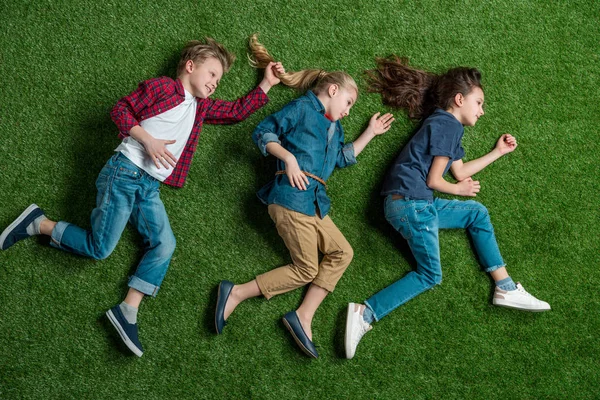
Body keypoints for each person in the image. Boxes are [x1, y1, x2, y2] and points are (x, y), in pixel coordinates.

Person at [0, 37, 284, 357]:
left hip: (148, 187)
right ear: (190, 66)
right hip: (125, 173)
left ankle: (127, 309)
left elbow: (234, 112)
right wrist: (147, 140)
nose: (215, 83)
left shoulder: (200, 107)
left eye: (219, 80)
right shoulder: (163, 88)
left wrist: (267, 84)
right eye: (212, 74)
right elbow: (120, 110)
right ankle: (39, 224)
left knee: (165, 244)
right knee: (100, 248)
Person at [344, 56, 551, 359]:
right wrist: (458, 191)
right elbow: (436, 179)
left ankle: (504, 286)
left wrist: (498, 152)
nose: (482, 110)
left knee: (476, 213)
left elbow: (460, 171)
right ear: (459, 99)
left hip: (411, 204)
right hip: (413, 204)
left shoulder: (444, 125)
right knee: (430, 275)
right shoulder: (448, 125)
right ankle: (365, 313)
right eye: (478, 102)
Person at [215, 35, 394, 358]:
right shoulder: (301, 108)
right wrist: (289, 158)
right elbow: (263, 132)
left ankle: (303, 315)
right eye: (349, 103)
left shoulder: (335, 129)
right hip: (290, 198)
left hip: (313, 204)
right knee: (306, 269)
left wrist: (369, 133)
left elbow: (341, 158)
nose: (348, 112)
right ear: (333, 90)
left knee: (342, 252)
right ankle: (237, 293)